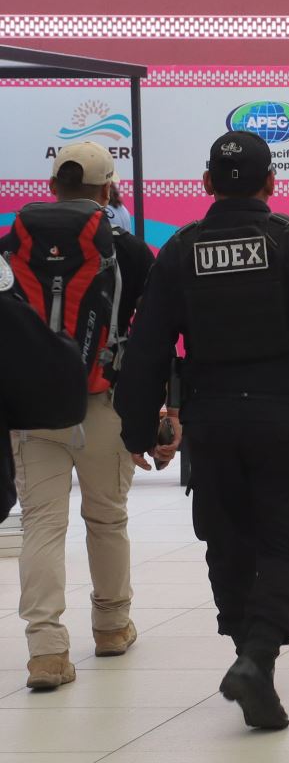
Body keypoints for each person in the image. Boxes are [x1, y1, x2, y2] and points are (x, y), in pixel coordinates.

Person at [116, 132, 289, 729]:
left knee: (228, 541)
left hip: (211, 423)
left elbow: (148, 347)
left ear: (207, 184)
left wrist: (138, 426)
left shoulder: (179, 250)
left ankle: (248, 658)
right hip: (286, 419)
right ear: (271, 184)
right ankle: (258, 657)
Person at [2, 143, 155, 691]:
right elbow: (148, 338)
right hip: (102, 404)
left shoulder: (7, 249)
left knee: (43, 524)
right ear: (108, 190)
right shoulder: (131, 252)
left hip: (32, 409)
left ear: (51, 186)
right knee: (106, 518)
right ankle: (112, 625)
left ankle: (45, 651)